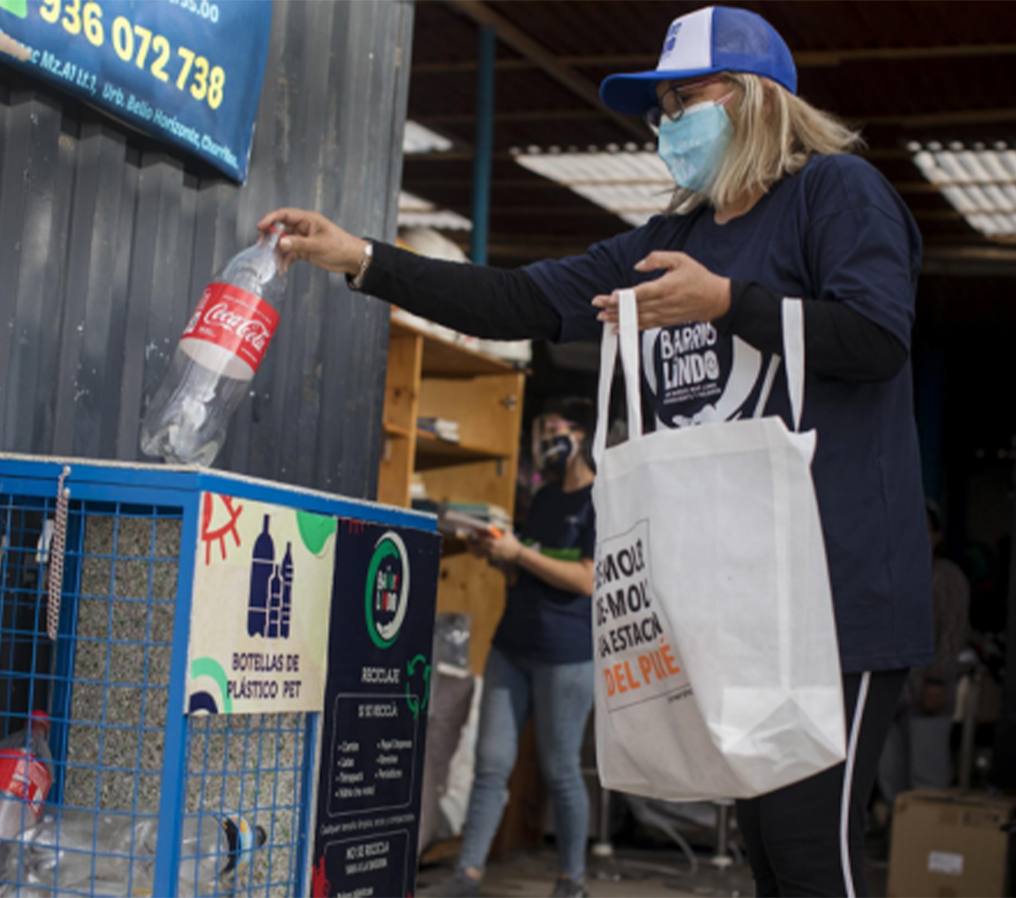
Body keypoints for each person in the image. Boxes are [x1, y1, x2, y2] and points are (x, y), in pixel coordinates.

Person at [260, 6, 934, 895]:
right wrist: (360, 258)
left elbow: (877, 337)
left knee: (812, 848)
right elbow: (517, 304)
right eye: (658, 107)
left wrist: (729, 303)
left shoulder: (834, 194)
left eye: (683, 98)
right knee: (771, 849)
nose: (666, 123)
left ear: (755, 100)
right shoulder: (667, 240)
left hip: (837, 589)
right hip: (741, 605)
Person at [434, 399, 599, 898]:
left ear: (583, 436)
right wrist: (499, 557)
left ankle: (571, 881)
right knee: (490, 764)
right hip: (512, 645)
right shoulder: (545, 498)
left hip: (567, 655)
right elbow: (526, 568)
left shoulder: (602, 502)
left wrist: (519, 552)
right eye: (543, 430)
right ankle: (468, 876)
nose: (547, 441)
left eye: (557, 430)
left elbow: (589, 580)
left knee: (560, 769)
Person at [877, 502, 970, 802]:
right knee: (890, 774)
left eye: (925, 529)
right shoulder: (888, 574)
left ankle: (926, 842)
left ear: (937, 536)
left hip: (928, 689)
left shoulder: (947, 577)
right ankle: (898, 841)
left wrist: (938, 680)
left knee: (926, 775)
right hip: (890, 691)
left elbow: (952, 633)